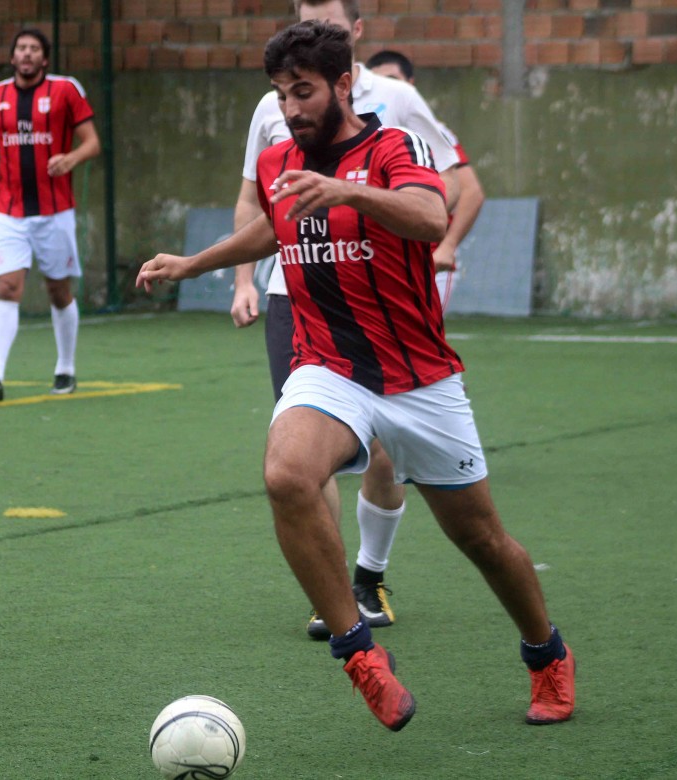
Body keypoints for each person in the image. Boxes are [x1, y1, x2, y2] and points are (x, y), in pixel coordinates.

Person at [138, 21, 575, 730]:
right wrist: (195, 263)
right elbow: (276, 226)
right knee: (286, 474)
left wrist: (348, 193)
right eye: (281, 94)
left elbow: (432, 217)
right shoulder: (285, 157)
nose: (291, 108)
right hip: (330, 367)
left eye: (303, 91)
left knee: (483, 541)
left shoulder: (393, 147)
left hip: (419, 377)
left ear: (343, 84)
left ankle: (547, 653)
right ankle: (360, 653)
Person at [230, 0, 464, 641]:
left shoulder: (396, 100)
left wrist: (439, 244)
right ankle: (334, 596)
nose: (290, 102)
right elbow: (257, 199)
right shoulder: (272, 107)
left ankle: (371, 572)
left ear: (353, 37)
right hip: (296, 294)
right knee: (302, 457)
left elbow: (455, 182)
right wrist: (239, 278)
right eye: (307, 17)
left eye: (330, 23)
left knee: (387, 452)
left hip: (385, 302)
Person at [0, 28, 100, 400]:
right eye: (21, 49)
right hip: (8, 212)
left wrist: (70, 158)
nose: (26, 55)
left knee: (58, 290)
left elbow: (92, 143)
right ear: (12, 57)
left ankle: (66, 368)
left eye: (34, 50)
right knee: (8, 287)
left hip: (54, 213)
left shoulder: (65, 91)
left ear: (45, 59)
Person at [365, 49, 486, 311]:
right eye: (380, 82)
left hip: (426, 260)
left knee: (415, 347)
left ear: (410, 84)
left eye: (393, 80)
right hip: (376, 260)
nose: (387, 89)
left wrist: (447, 246)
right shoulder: (366, 137)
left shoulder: (434, 132)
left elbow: (471, 192)